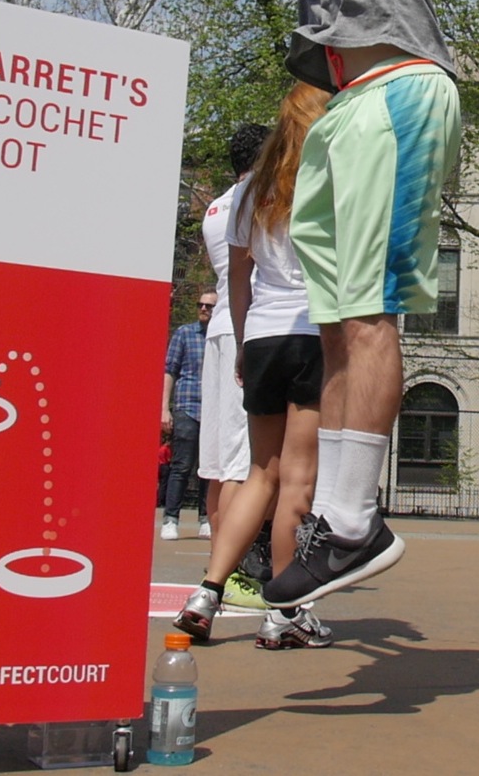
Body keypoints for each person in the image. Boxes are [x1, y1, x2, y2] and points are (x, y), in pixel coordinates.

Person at [187, 0, 461, 608]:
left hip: (400, 88)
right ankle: (342, 525)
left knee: (370, 309)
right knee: (335, 315)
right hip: (344, 105)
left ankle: (351, 520)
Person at [176, 84, 333, 649]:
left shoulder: (251, 193)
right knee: (298, 479)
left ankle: (207, 591)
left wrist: (243, 343)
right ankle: (286, 611)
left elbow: (236, 280)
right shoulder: (324, 182)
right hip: (311, 335)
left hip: (261, 337)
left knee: (258, 474)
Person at [200, 123, 271, 543]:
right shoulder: (256, 203)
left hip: (221, 331)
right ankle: (232, 568)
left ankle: (218, 562)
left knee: (217, 463)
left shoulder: (215, 208)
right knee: (241, 465)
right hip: (247, 327)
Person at [161, 292, 215, 540]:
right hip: (187, 405)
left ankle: (206, 518)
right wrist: (164, 408)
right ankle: (171, 519)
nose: (203, 309)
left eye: (209, 305)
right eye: (200, 304)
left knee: (208, 468)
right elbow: (169, 371)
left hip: (214, 410)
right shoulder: (184, 333)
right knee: (181, 466)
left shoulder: (222, 337)